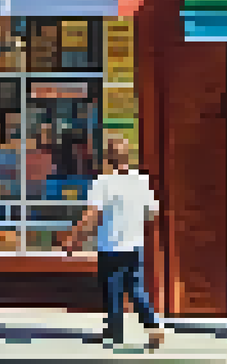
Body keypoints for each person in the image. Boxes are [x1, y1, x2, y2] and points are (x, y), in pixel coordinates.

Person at [61, 135, 165, 350]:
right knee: (136, 288)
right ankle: (153, 326)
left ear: (107, 157)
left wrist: (74, 240)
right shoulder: (141, 180)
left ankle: (115, 332)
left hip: (111, 245)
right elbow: (152, 213)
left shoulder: (103, 182)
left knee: (112, 290)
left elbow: (91, 216)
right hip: (135, 245)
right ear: (128, 155)